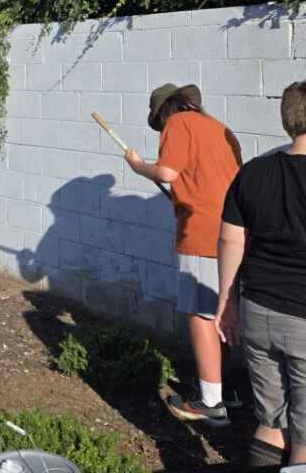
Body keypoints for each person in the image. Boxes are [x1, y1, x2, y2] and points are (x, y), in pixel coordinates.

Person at [124, 83, 242, 425]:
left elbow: (167, 172)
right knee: (221, 311)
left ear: (164, 113)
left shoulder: (178, 123)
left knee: (200, 315)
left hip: (202, 232)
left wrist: (138, 166)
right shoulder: (219, 128)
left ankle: (210, 403)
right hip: (234, 232)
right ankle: (226, 389)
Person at [216, 81, 306, 470]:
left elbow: (229, 239)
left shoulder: (253, 171)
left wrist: (228, 300)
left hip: (257, 312)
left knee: (272, 421)